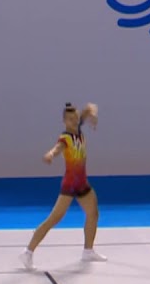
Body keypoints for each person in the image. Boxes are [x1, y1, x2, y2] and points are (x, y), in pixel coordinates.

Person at [19, 102, 108, 269]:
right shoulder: (65, 138)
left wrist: (93, 115)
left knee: (93, 213)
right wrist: (51, 154)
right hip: (70, 184)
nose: (74, 121)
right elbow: (57, 148)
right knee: (54, 219)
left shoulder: (78, 130)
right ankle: (28, 252)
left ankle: (88, 251)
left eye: (76, 118)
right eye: (70, 120)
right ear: (64, 122)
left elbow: (90, 107)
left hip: (82, 183)